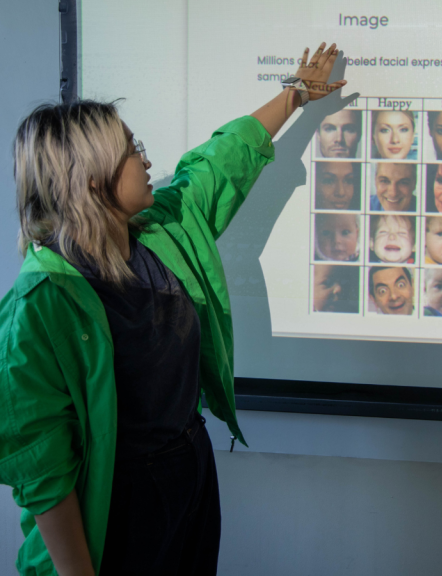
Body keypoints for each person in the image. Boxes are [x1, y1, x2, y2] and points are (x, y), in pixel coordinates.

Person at [0, 42, 346, 575]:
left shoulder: (165, 231)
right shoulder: (40, 302)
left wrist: (295, 94)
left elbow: (222, 161)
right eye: (131, 149)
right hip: (115, 501)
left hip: (190, 470)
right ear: (92, 178)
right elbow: (42, 467)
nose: (146, 159)